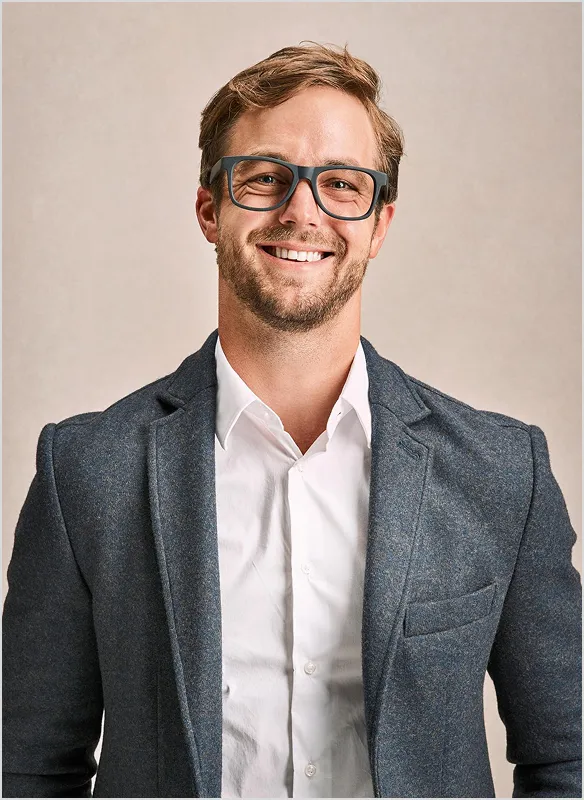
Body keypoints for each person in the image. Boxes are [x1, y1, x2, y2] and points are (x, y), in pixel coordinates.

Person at [2, 41, 581, 799]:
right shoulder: (87, 473)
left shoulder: (502, 473)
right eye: (266, 177)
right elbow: (27, 771)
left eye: (342, 183)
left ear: (378, 224)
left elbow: (569, 760)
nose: (301, 211)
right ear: (211, 209)